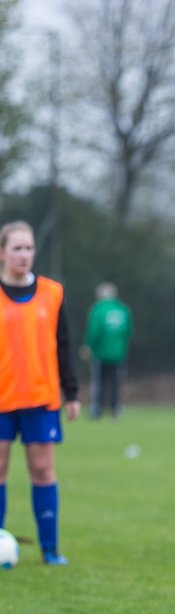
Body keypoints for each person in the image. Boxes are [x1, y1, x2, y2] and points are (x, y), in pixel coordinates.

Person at [0, 220, 80, 565]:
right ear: (2, 252)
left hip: (40, 397)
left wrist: (72, 392)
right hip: (1, 398)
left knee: (43, 470)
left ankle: (50, 549)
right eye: (16, 248)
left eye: (29, 248)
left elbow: (63, 345)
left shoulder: (52, 292)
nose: (24, 255)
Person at [80, 281, 133, 419]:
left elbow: (94, 331)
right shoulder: (123, 309)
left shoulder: (97, 309)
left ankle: (97, 409)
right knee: (116, 383)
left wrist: (88, 346)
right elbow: (128, 331)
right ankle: (116, 409)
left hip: (100, 353)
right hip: (118, 353)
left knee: (98, 382)